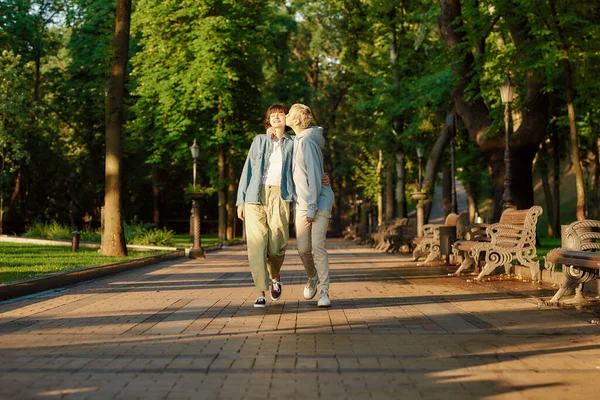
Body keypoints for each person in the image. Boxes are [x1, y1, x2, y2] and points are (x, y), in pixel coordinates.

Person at [236, 104, 294, 308]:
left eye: (280, 114)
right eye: (272, 115)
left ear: (287, 119)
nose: (276, 117)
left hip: (281, 194)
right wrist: (240, 201)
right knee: (257, 245)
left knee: (278, 246)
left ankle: (275, 278)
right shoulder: (259, 141)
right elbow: (247, 171)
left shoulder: (293, 143)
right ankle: (260, 292)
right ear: (267, 120)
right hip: (255, 194)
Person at [286, 104, 335, 307]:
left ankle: (324, 292)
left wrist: (312, 207)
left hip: (319, 201)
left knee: (317, 246)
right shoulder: (296, 140)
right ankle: (312, 277)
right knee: (302, 249)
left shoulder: (307, 142)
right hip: (302, 202)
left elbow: (315, 178)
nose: (286, 116)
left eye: (289, 114)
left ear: (297, 120)